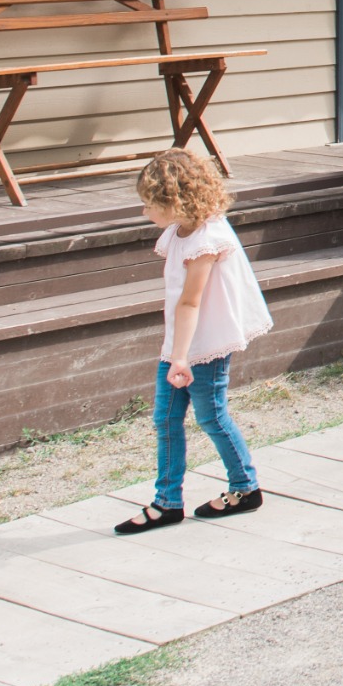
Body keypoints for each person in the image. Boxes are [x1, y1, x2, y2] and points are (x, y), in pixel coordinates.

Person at [115, 150, 273, 534]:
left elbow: (191, 301)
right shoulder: (181, 231)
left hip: (203, 345)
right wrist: (176, 353)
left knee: (211, 416)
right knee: (166, 419)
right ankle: (167, 502)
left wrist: (180, 359)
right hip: (181, 344)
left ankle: (245, 487)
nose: (143, 213)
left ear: (175, 202)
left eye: (148, 204)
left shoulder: (207, 239)